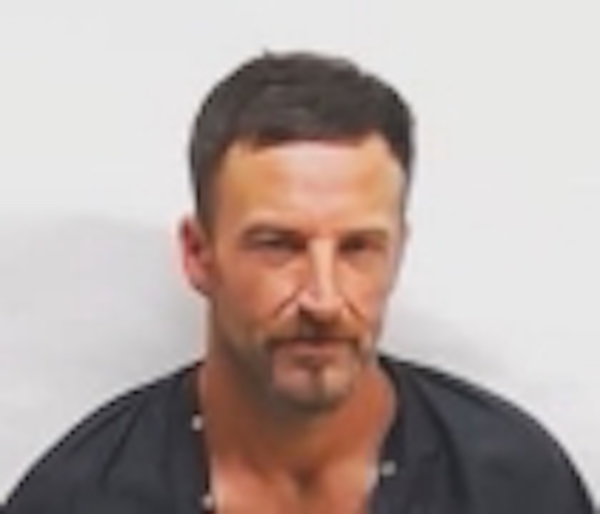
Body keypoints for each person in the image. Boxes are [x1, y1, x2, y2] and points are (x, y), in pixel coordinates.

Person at [4, 52, 595, 514]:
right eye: (278, 246)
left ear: (397, 253)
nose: (323, 298)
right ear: (198, 254)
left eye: (358, 248)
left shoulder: (512, 485)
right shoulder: (80, 498)